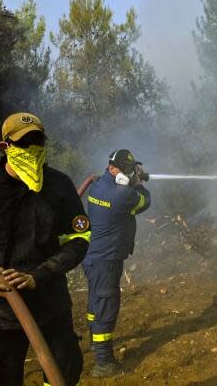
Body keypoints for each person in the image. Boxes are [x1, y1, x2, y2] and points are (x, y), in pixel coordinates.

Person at [0, 112, 90, 386]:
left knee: (65, 371)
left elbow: (80, 238)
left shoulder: (59, 185)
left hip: (50, 301)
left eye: (38, 141)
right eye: (24, 143)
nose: (32, 148)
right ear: (5, 147)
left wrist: (41, 274)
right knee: (0, 378)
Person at [83, 149, 151, 377]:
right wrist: (139, 183)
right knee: (107, 305)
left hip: (91, 256)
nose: (131, 173)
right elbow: (145, 202)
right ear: (113, 168)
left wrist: (129, 180)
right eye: (127, 169)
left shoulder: (100, 185)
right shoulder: (123, 196)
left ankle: (94, 341)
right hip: (106, 259)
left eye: (133, 169)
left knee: (96, 300)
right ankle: (103, 362)